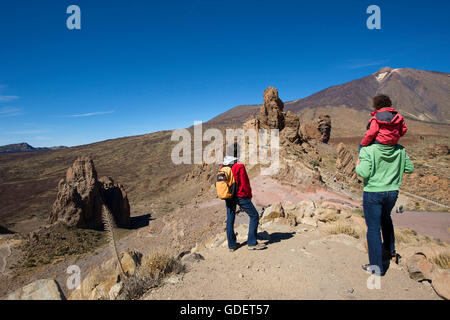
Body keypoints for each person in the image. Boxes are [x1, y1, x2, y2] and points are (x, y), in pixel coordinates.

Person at [356, 142, 414, 275]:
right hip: (392, 192)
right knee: (386, 217)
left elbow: (363, 172)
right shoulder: (400, 149)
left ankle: (377, 268)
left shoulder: (368, 149)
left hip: (373, 193)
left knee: (373, 229)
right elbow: (410, 168)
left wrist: (358, 163)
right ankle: (390, 250)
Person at [221, 154, 267, 252]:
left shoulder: (223, 166)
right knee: (254, 215)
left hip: (228, 196)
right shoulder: (239, 166)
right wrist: (249, 195)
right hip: (240, 196)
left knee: (230, 218)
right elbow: (244, 182)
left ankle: (232, 245)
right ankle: (251, 243)